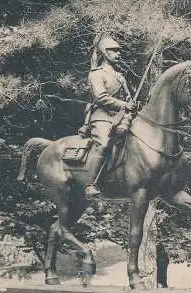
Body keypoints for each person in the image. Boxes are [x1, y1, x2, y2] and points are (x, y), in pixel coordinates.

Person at [83, 34, 137, 199]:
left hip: (122, 117)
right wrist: (124, 105)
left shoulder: (120, 76)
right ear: (105, 53)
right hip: (102, 116)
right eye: (114, 51)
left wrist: (133, 104)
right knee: (105, 144)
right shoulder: (96, 74)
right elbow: (101, 98)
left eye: (119, 51)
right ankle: (91, 184)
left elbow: (128, 98)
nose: (118, 54)